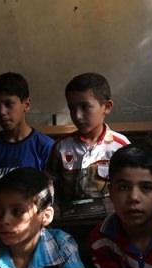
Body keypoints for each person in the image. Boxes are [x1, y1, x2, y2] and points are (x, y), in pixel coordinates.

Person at [0, 72, 54, 206]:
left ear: (26, 104)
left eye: (8, 104)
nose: (1, 111)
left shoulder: (45, 147)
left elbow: (50, 197)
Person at [48, 72, 129, 200]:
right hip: (70, 212)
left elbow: (128, 188)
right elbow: (51, 189)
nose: (77, 115)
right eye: (72, 108)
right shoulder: (61, 147)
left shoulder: (121, 146)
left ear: (107, 107)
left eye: (85, 107)